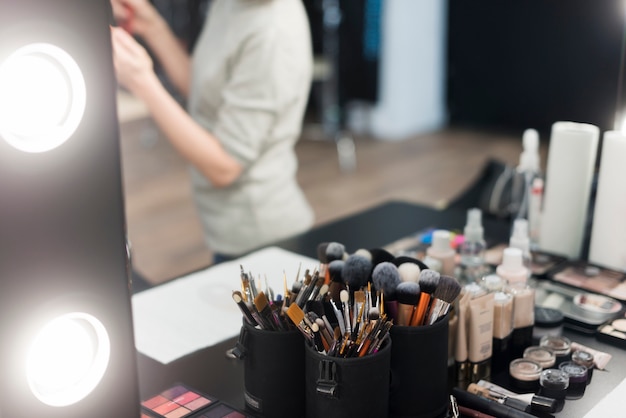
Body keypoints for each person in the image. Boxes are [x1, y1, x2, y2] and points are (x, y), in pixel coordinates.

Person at [110, 0, 315, 263]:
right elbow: (206, 92)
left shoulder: (272, 35)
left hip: (260, 238)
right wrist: (152, 25)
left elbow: (225, 166)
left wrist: (141, 81)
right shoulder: (232, 4)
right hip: (225, 229)